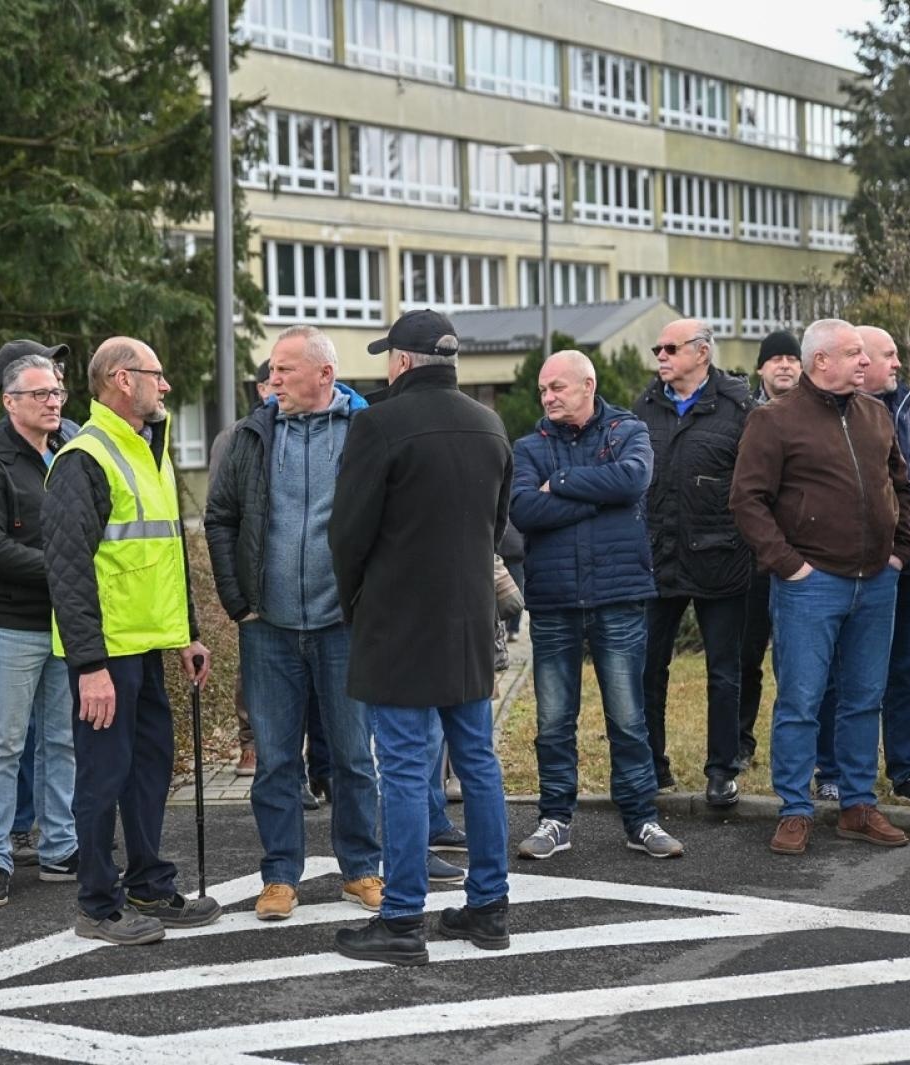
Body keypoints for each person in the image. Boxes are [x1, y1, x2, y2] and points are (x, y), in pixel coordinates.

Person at [328, 309, 513, 966]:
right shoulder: (490, 424)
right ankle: (489, 907)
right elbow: (497, 528)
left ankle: (402, 918)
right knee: (479, 761)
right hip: (466, 622)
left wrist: (358, 605)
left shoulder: (377, 424)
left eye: (387, 356)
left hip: (398, 624)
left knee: (404, 770)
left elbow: (347, 535)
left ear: (402, 361)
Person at [41, 336, 218, 944]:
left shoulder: (147, 451)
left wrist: (187, 635)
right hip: (107, 654)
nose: (165, 386)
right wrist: (90, 665)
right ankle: (97, 903)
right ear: (121, 379)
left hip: (145, 644)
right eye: (156, 375)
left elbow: (166, 556)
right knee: (103, 776)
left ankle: (148, 881)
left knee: (147, 770)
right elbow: (67, 570)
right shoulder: (85, 457)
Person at [205, 325, 383, 921]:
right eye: (273, 370)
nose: (272, 379)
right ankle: (280, 876)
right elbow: (220, 518)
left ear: (324, 375)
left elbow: (392, 518)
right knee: (277, 760)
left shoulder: (365, 434)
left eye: (284, 369)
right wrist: (238, 602)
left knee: (355, 756)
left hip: (344, 627)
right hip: (268, 627)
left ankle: (360, 870)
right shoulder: (252, 436)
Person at [730, 318, 910, 857]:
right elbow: (747, 500)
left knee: (863, 698)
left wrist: (900, 553)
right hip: (810, 585)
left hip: (876, 582)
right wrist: (788, 565)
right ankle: (794, 808)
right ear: (820, 362)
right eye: (853, 353)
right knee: (802, 701)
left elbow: (900, 484)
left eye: (865, 353)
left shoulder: (876, 413)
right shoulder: (775, 420)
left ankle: (858, 805)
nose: (865, 361)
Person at [512, 349, 684, 863]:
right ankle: (555, 819)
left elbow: (633, 481)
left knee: (629, 718)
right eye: (544, 390)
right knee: (554, 720)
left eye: (557, 388)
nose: (547, 398)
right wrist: (601, 495)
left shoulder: (627, 431)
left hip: (619, 595)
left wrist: (562, 484)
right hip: (555, 598)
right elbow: (522, 509)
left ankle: (641, 819)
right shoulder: (529, 446)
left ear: (587, 385)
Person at [0, 342, 81, 908]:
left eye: (57, 391)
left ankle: (60, 847)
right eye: (41, 394)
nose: (53, 401)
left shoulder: (73, 451)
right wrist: (64, 570)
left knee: (62, 741)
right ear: (10, 402)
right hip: (11, 626)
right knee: (4, 745)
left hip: (66, 625)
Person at [812, 327, 910, 806]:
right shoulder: (832, 415)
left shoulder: (903, 408)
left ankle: (906, 768)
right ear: (860, 362)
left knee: (905, 670)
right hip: (853, 569)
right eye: (887, 355)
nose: (896, 364)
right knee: (842, 674)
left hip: (906, 564)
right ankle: (831, 769)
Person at [633, 319, 751, 807]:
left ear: (701, 353)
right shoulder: (646, 405)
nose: (660, 355)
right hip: (658, 560)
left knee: (725, 672)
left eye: (670, 347)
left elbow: (755, 483)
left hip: (721, 559)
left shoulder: (740, 407)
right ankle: (650, 765)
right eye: (657, 347)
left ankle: (722, 768)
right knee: (648, 668)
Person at [737, 330, 803, 768]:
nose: (785, 366)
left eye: (791, 359)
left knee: (799, 662)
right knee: (746, 656)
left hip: (805, 556)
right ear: (760, 368)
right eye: (775, 359)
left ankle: (803, 749)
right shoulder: (743, 413)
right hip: (752, 556)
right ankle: (741, 742)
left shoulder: (816, 410)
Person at [209, 359, 273, 778]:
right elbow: (220, 515)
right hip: (253, 581)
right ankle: (249, 744)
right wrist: (235, 592)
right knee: (252, 671)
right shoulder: (235, 438)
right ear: (261, 388)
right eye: (272, 379)